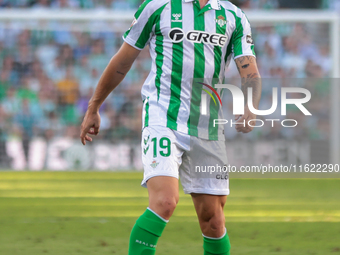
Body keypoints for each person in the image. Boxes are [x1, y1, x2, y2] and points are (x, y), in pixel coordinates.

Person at [80, 0, 261, 254]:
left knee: (213, 220)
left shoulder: (234, 16)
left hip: (207, 126)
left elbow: (249, 70)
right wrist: (94, 106)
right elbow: (122, 61)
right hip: (162, 117)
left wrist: (250, 106)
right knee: (165, 201)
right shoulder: (158, 7)